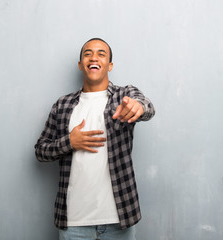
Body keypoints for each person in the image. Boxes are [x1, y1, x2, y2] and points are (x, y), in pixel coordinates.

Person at [35, 38, 155, 240]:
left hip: (119, 219)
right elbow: (40, 151)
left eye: (101, 53)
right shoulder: (62, 105)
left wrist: (138, 107)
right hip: (73, 222)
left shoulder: (124, 95)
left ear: (109, 65)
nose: (94, 57)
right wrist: (70, 142)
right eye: (87, 53)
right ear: (81, 64)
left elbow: (147, 106)